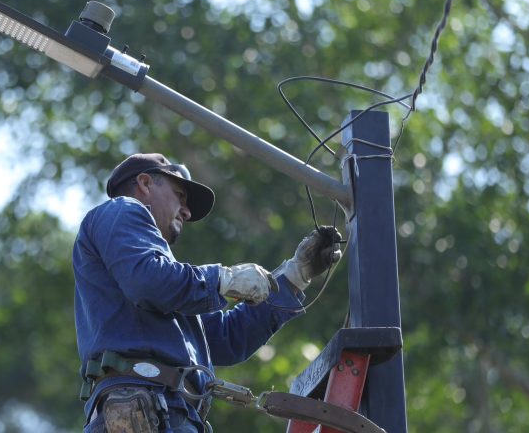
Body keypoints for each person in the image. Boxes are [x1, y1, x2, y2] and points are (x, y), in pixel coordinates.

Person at [73, 153, 341, 432]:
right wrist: (223, 278)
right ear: (145, 183)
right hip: (142, 406)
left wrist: (295, 276)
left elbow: (225, 338)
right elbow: (148, 281)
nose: (187, 212)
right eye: (180, 195)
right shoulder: (122, 209)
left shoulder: (172, 287)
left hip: (171, 413)